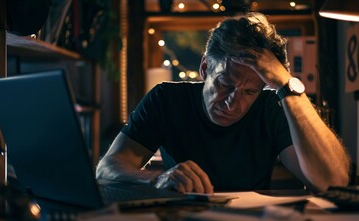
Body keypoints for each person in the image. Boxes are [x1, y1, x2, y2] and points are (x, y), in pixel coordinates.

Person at [96, 11, 350, 194]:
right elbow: (107, 168)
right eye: (225, 84)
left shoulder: (272, 105)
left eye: (249, 92)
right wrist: (157, 178)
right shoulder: (166, 99)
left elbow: (332, 182)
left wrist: (287, 85)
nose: (233, 103)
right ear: (205, 67)